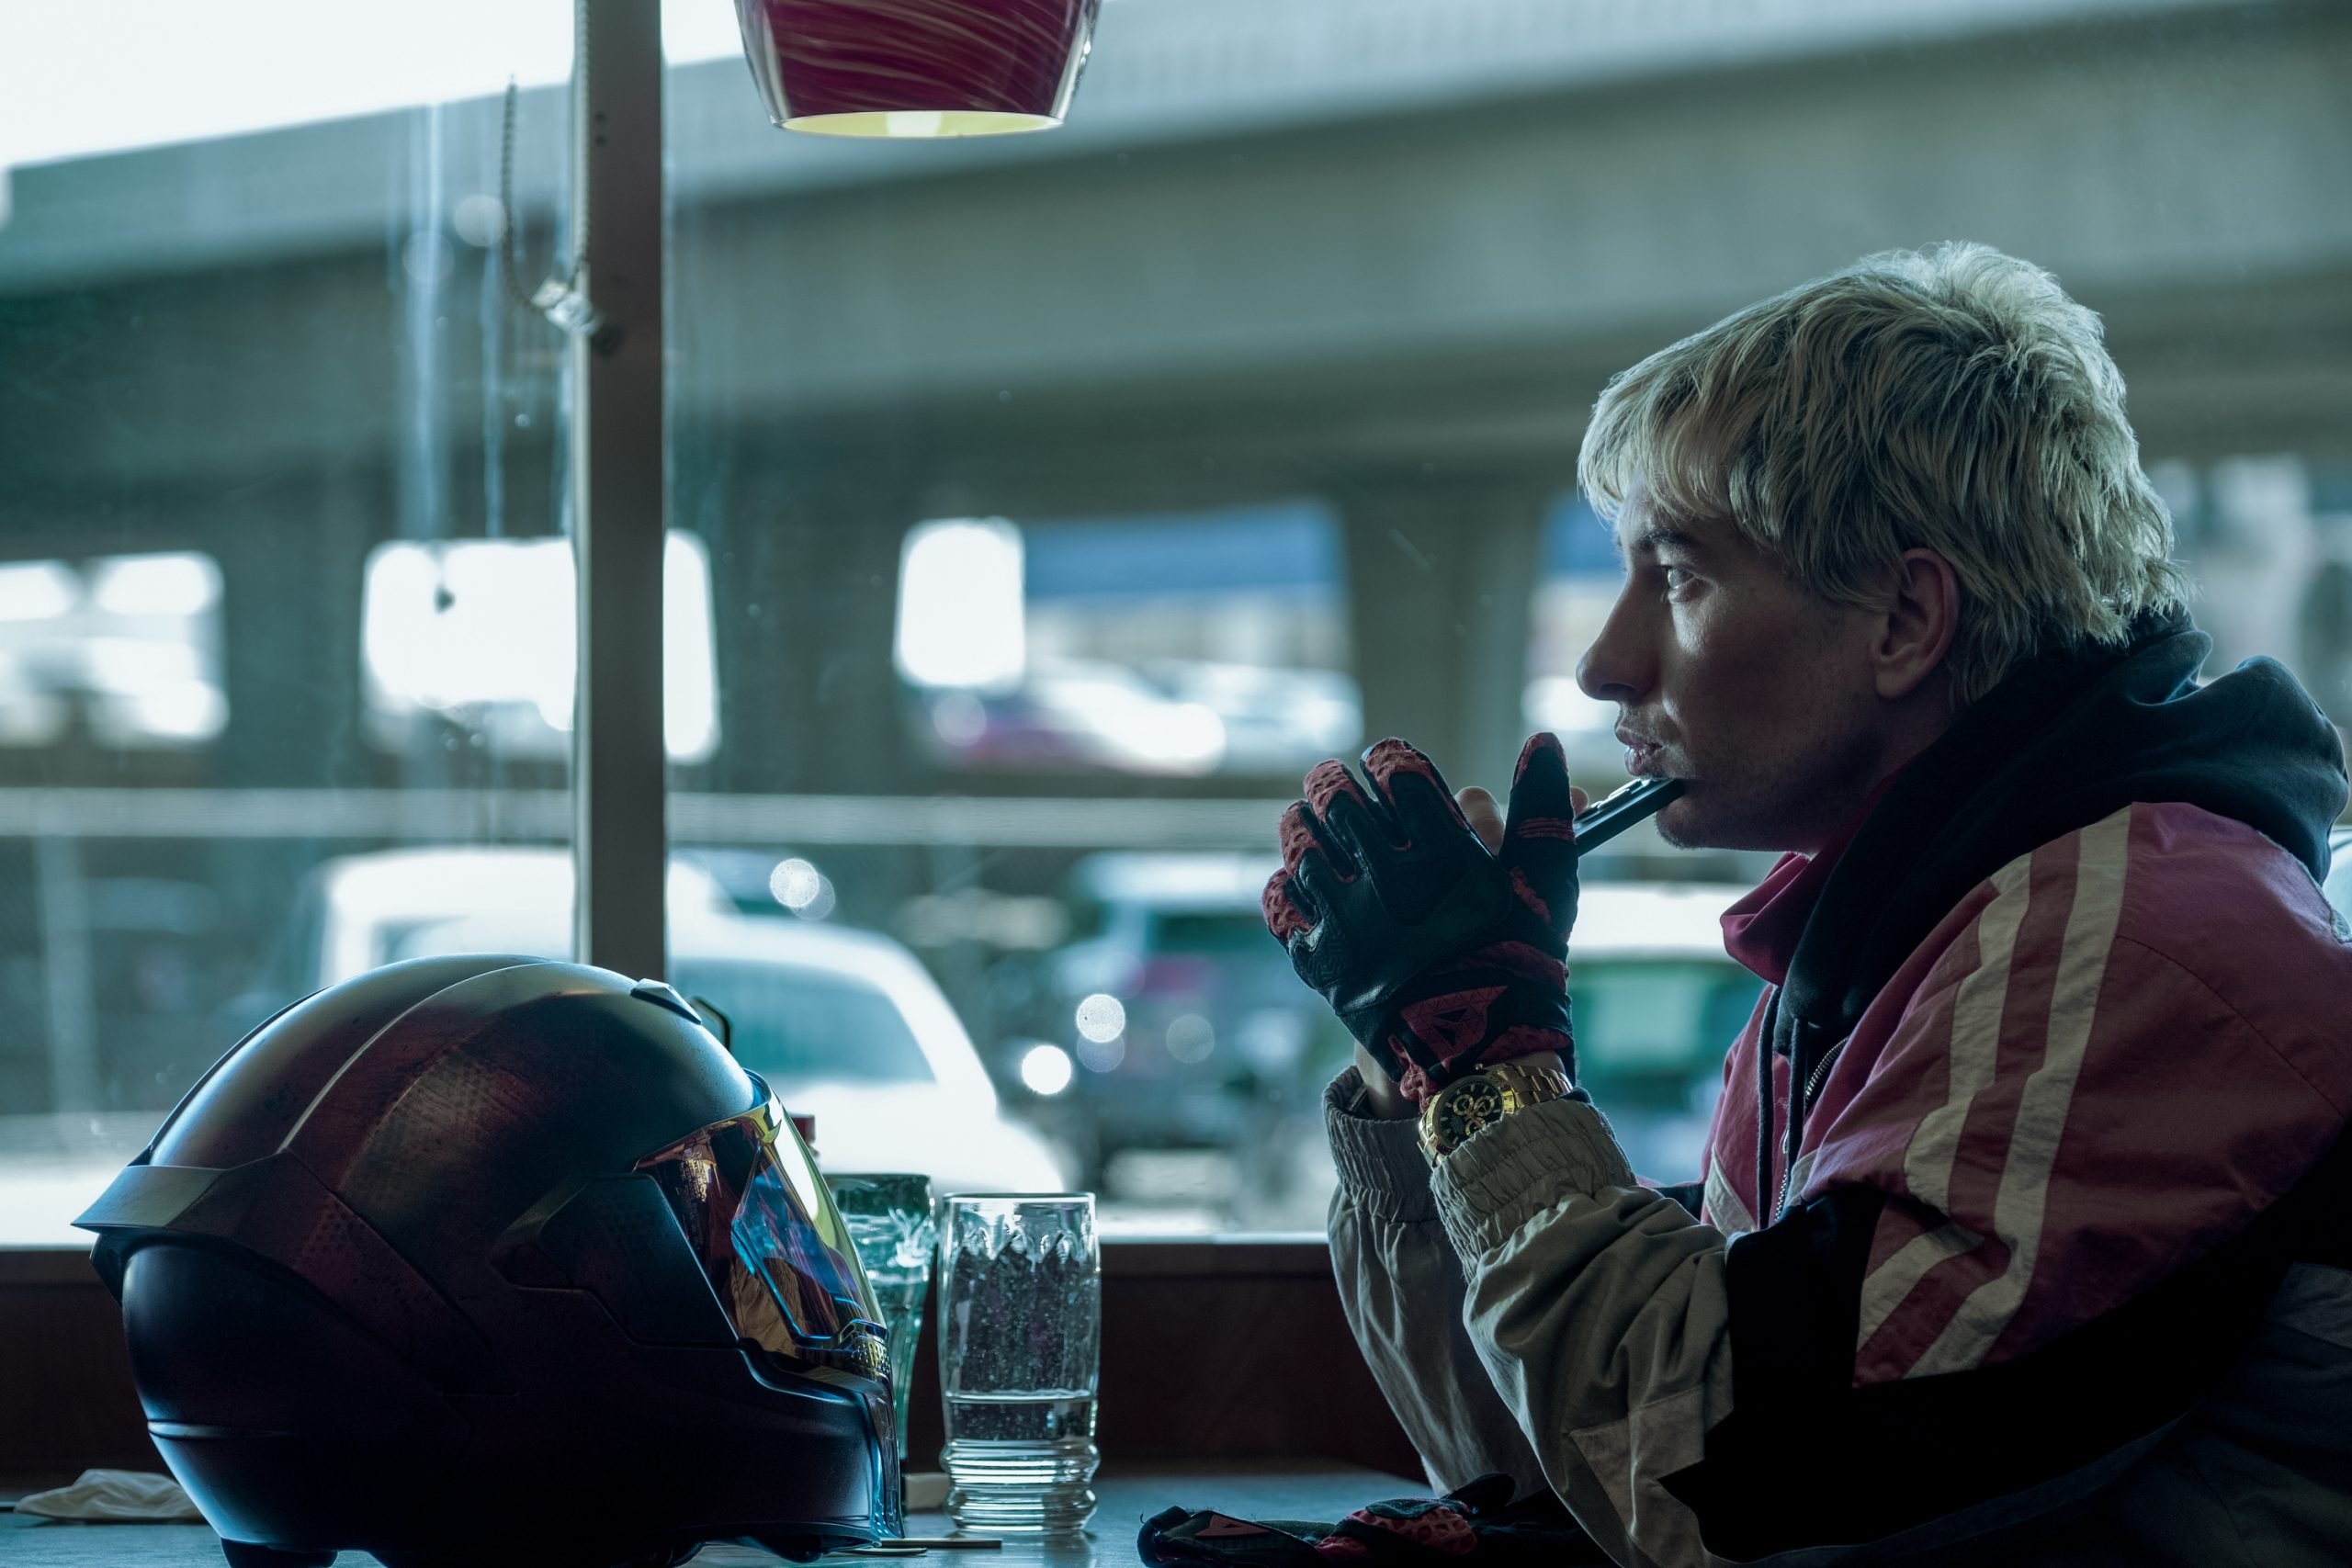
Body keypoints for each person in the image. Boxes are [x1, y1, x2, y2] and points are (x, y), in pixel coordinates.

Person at [1261, 243, 2352, 1566]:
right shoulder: (1901, 941)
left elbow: (1728, 1497)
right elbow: (1565, 1478)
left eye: (1679, 576)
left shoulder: (2127, 945)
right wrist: (1419, 1062)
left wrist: (1489, 1067)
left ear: (1904, 620)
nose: (1604, 664)